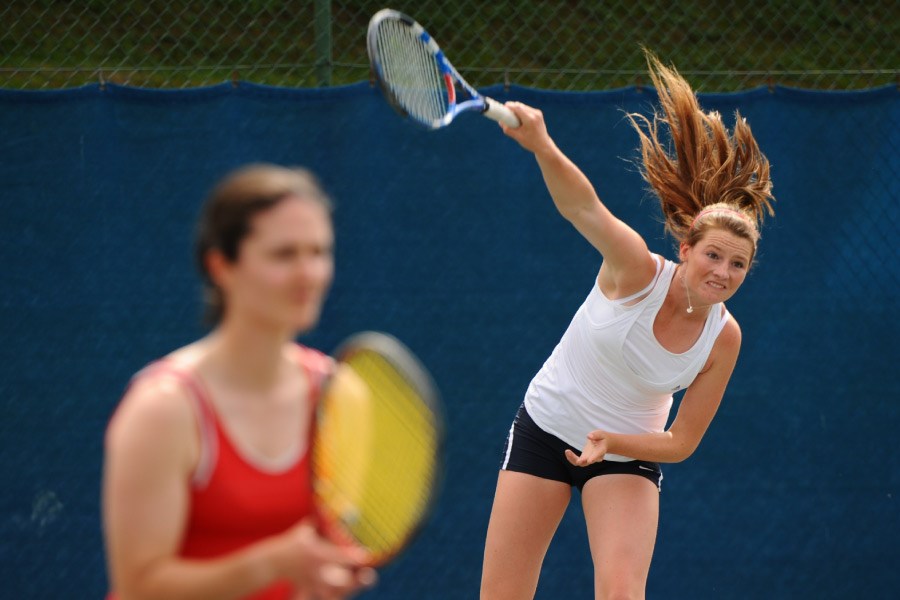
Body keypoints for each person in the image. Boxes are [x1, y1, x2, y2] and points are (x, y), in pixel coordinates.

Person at [481, 50, 775, 600]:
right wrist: (542, 146)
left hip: (626, 453)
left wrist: (612, 440)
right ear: (685, 249)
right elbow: (584, 208)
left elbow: (682, 442)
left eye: (738, 264)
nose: (723, 272)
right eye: (713, 256)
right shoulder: (635, 270)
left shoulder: (724, 338)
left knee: (622, 593)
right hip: (546, 427)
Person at [102, 164, 377, 600]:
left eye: (319, 252)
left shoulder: (341, 395)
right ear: (221, 266)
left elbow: (323, 559)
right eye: (284, 255)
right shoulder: (162, 409)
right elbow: (139, 587)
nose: (308, 274)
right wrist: (273, 564)